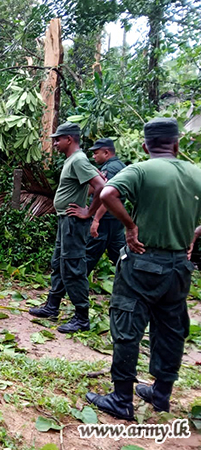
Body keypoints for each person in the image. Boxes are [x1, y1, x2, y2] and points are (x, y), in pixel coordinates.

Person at [86, 118, 201, 421]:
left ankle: (122, 398)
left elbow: (109, 194)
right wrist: (193, 235)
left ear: (145, 145)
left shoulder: (140, 170)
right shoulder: (196, 173)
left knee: (127, 327)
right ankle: (161, 394)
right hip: (179, 267)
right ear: (176, 144)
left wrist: (130, 226)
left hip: (143, 263)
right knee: (171, 330)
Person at [29, 122, 106, 333]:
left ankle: (81, 318)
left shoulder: (79, 159)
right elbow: (90, 186)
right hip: (66, 220)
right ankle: (52, 306)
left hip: (73, 223)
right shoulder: (73, 160)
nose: (54, 143)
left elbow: (101, 186)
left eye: (58, 139)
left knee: (73, 267)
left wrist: (89, 212)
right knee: (59, 263)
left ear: (69, 139)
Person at [86, 138, 127, 275]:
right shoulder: (120, 166)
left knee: (89, 254)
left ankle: (73, 286)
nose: (94, 156)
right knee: (120, 256)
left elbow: (107, 197)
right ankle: (132, 285)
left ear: (106, 152)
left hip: (105, 219)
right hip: (116, 218)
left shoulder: (110, 169)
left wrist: (96, 220)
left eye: (96, 153)